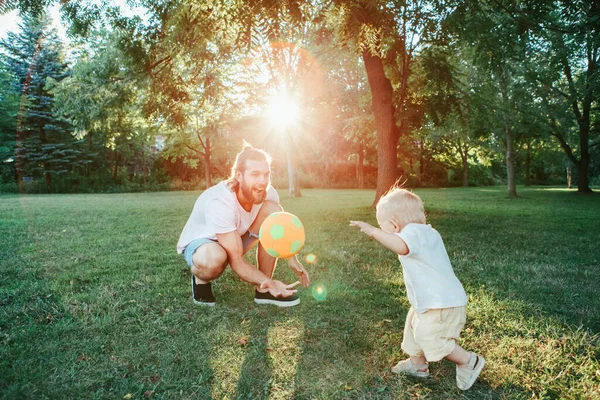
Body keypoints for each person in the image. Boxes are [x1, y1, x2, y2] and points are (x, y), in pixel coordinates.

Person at [349, 187, 485, 390]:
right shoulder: (426, 232)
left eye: (382, 225)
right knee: (413, 325)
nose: (381, 229)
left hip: (440, 304)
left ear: (394, 224)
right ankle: (417, 364)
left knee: (430, 336)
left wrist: (373, 232)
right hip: (435, 301)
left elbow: (401, 246)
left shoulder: (412, 233)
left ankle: (467, 360)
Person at [177, 143, 310, 307]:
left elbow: (279, 227)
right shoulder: (220, 201)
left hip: (235, 235)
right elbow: (237, 261)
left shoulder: (267, 192)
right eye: (255, 175)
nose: (262, 181)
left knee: (272, 211)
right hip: (204, 243)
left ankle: (264, 292)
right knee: (215, 258)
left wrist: (292, 257)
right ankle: (200, 280)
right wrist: (271, 282)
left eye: (266, 174)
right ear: (239, 176)